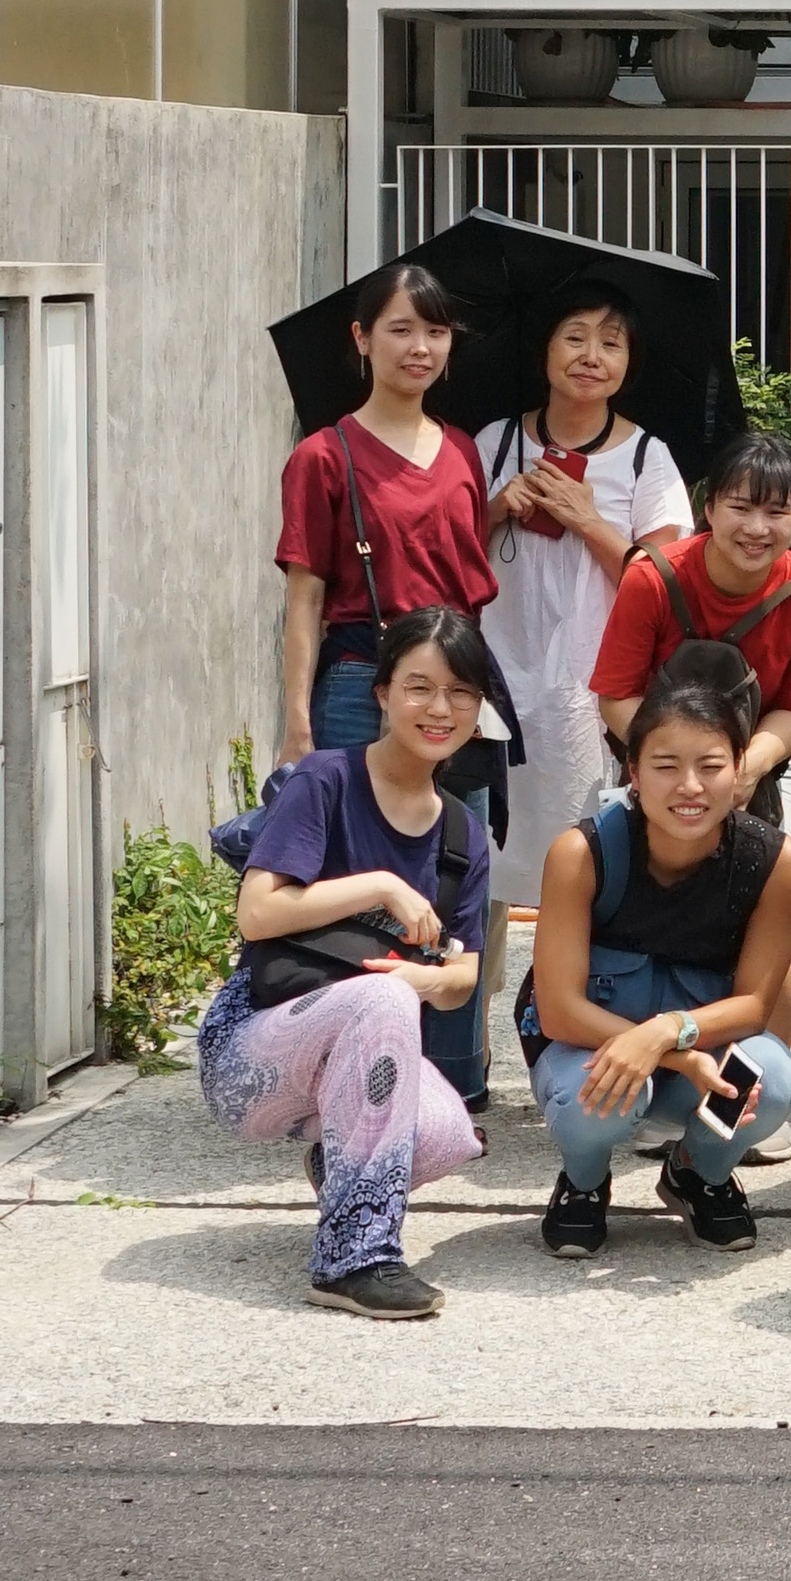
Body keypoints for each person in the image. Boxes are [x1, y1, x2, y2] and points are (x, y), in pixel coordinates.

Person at [195, 606, 494, 1321]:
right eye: (420, 687)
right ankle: (353, 1258)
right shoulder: (324, 780)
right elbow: (257, 912)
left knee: (450, 1136)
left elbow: (464, 977)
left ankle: (343, 1166)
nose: (440, 708)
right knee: (383, 1001)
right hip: (252, 1047)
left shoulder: (462, 833)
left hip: (363, 1047)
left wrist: (424, 979)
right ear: (383, 693)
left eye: (460, 692)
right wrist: (381, 886)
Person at [275, 259, 505, 1102]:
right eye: (401, 329)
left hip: (456, 691)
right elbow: (304, 596)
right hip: (358, 684)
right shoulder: (322, 456)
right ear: (362, 339)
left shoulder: (462, 450)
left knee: (458, 873)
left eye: (435, 331)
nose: (420, 347)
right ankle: (342, 1075)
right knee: (347, 879)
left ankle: (452, 1081)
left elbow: (467, 583)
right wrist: (297, 724)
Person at [522, 647, 791, 1255]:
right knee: (595, 1104)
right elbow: (558, 1011)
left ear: (740, 769)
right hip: (589, 1050)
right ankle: (583, 1183)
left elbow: (756, 1005)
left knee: (770, 1079)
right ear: (633, 769)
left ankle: (698, 1174)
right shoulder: (581, 855)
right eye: (666, 766)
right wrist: (668, 1051)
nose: (690, 787)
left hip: (698, 1052)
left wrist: (665, 1035)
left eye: (711, 765)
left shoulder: (774, 861)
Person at [472, 287, 691, 1029]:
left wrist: (587, 520)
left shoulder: (647, 458)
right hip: (493, 683)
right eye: (574, 336)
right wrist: (497, 505)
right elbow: (448, 553)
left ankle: (579, 1029)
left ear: (629, 362)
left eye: (611, 341)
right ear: (544, 350)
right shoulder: (495, 441)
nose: (591, 356)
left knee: (588, 859)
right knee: (480, 861)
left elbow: (664, 585)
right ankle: (467, 1042)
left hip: (590, 693)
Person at [588, 428, 791, 824]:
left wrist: (743, 770)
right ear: (708, 509)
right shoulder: (649, 579)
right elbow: (616, 697)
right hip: (656, 761)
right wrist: (677, 765)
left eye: (776, 512)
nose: (757, 528)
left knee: (776, 860)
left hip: (760, 764)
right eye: (740, 508)